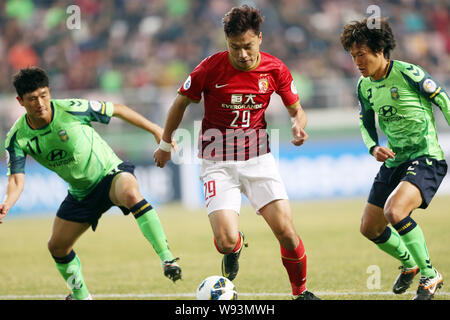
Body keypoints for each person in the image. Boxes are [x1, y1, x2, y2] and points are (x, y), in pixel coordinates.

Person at [154, 5, 319, 300]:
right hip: (216, 160)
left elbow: (297, 110)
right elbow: (179, 104)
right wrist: (166, 144)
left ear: (260, 38)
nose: (242, 54)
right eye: (234, 47)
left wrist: (298, 126)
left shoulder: (275, 69)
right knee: (226, 240)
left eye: (248, 46)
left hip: (258, 158)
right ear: (226, 42)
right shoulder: (209, 67)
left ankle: (301, 292)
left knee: (287, 232)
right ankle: (237, 245)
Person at [0, 67, 182, 300]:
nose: (40, 103)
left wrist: (156, 129)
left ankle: (167, 258)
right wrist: (7, 202)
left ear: (49, 91)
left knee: (130, 194)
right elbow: (16, 178)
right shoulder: (17, 137)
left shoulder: (72, 109)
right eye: (32, 99)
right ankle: (81, 296)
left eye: (44, 94)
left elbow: (118, 110)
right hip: (81, 193)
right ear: (20, 101)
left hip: (110, 174)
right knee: (57, 247)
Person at [340, 18, 449, 300]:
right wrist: (373, 147)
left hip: (426, 156)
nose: (357, 62)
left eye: (361, 54)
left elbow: (443, 99)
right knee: (370, 228)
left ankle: (430, 275)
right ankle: (410, 265)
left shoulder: (409, 73)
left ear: (379, 50)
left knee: (395, 212)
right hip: (394, 160)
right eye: (353, 56)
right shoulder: (364, 87)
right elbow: (366, 123)